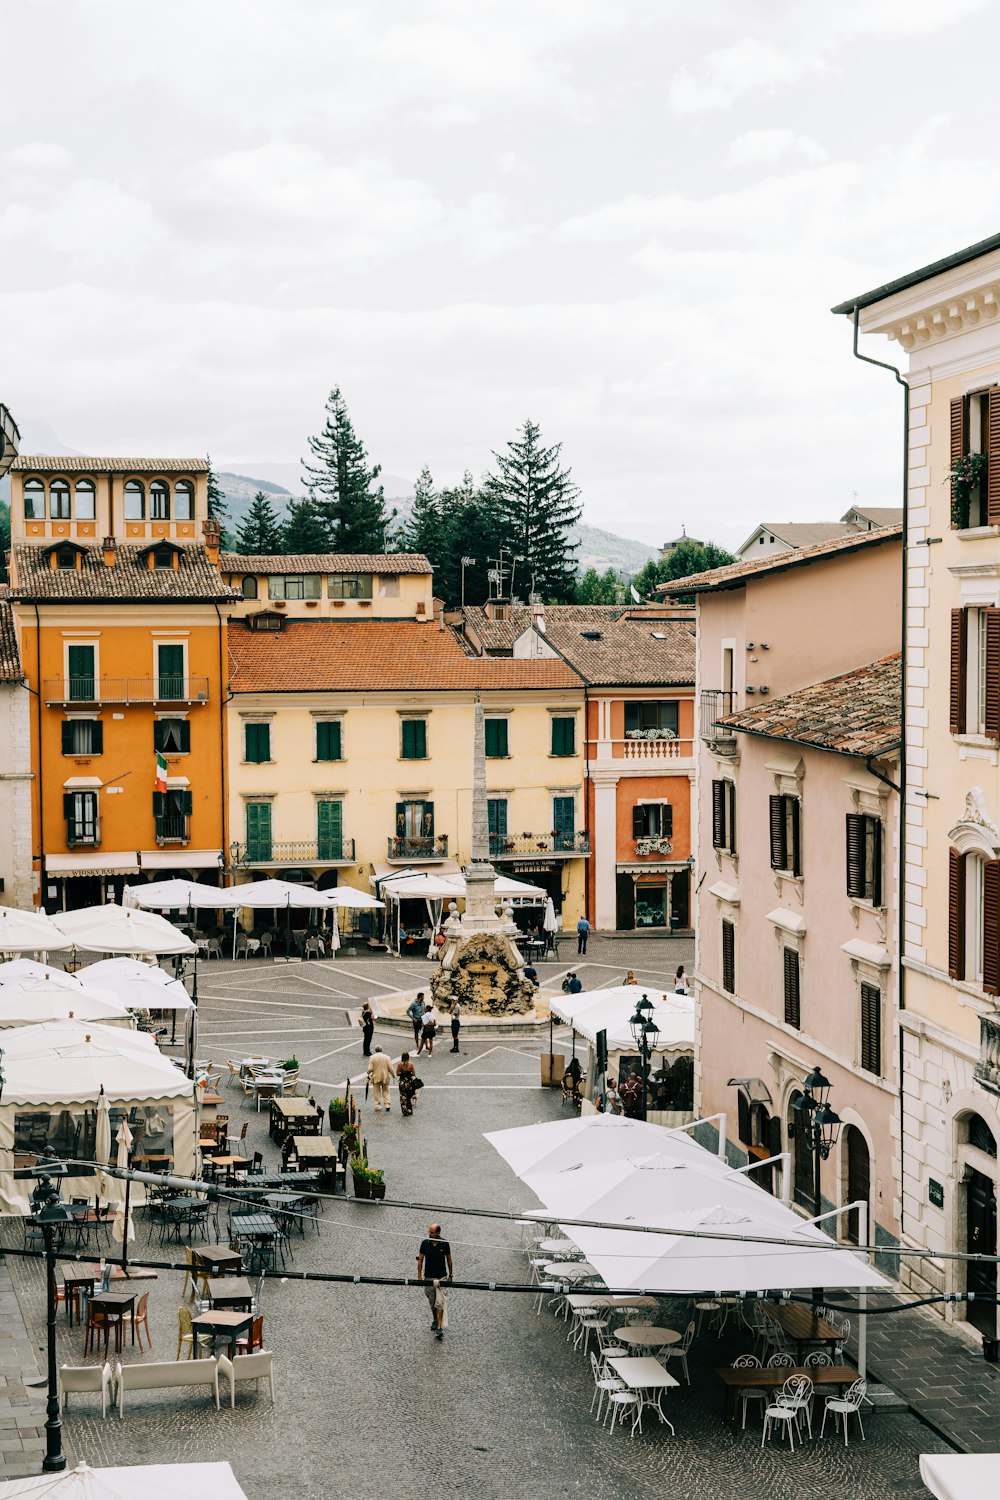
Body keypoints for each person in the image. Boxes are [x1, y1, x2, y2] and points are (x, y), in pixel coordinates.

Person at [417, 1222, 453, 1341]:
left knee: (440, 1303)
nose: (430, 1234)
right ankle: (435, 1319)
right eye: (429, 1232)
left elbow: (449, 1260)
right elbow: (420, 1260)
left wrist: (450, 1275)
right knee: (433, 1303)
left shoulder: (445, 1244)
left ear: (438, 1233)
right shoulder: (424, 1243)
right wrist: (419, 1277)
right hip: (429, 1277)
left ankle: (439, 1327)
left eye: (432, 1232)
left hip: (442, 1277)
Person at [367, 1046, 394, 1112]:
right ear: (381, 1050)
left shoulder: (372, 1057)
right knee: (386, 1090)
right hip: (385, 1076)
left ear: (375, 1050)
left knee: (376, 1091)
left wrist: (368, 1072)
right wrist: (393, 1075)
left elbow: (370, 1069)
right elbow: (390, 1068)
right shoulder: (387, 1057)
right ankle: (387, 1104)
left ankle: (377, 1105)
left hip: (376, 1076)